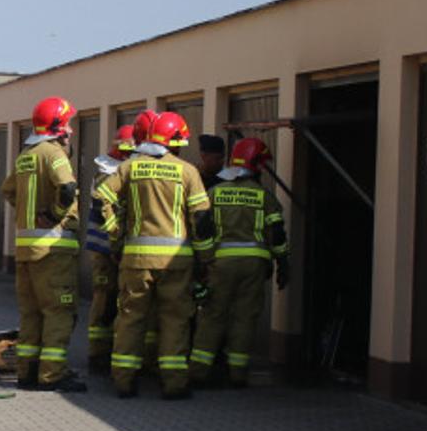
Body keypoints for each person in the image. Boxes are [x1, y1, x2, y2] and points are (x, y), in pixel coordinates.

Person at [95, 111, 211, 399]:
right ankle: (173, 384)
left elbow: (101, 198)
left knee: (131, 318)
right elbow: (202, 219)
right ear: (174, 141)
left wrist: (115, 237)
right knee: (175, 319)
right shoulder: (188, 171)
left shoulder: (131, 167)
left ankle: (124, 381)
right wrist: (206, 257)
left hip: (135, 260)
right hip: (177, 262)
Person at [0, 97, 88, 393]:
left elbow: (8, 190)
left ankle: (28, 373)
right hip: (53, 251)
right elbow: (68, 188)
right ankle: (52, 375)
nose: (71, 130)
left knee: (31, 314)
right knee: (58, 313)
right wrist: (52, 215)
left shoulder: (26, 154)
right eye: (68, 124)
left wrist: (29, 211)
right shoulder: (53, 153)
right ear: (58, 126)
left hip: (25, 251)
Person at [189, 137, 291, 388]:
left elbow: (201, 228)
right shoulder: (264, 196)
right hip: (254, 266)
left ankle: (199, 372)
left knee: (212, 316)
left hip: (220, 264)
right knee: (244, 318)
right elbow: (277, 233)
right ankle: (238, 374)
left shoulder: (214, 192)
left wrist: (203, 261)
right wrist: (283, 263)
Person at [83, 124, 138, 374]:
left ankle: (108, 350)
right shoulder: (107, 175)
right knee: (104, 299)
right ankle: (97, 354)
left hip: (113, 247)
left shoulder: (114, 172)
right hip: (106, 249)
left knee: (116, 299)